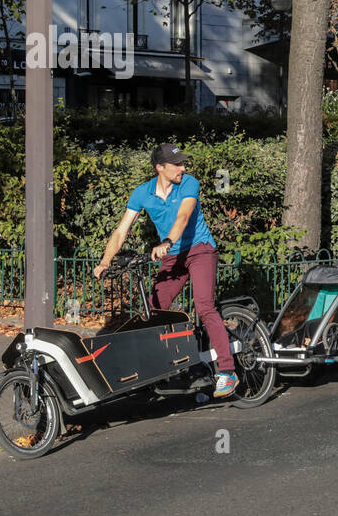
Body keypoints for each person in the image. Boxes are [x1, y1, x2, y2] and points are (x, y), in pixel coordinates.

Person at [92, 143, 239, 397]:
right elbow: (121, 230)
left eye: (183, 163)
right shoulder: (142, 193)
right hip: (173, 257)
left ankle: (228, 372)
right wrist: (105, 261)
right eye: (177, 164)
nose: (183, 167)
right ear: (160, 167)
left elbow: (183, 217)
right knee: (154, 310)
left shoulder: (189, 183)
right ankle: (177, 368)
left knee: (204, 306)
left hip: (199, 249)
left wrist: (167, 242)